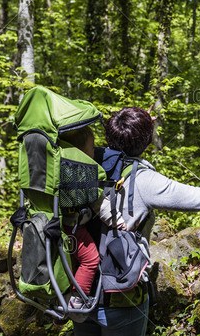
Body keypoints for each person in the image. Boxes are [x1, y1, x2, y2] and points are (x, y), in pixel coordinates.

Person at [71, 106, 200, 336]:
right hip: (122, 294)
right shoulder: (144, 180)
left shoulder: (83, 164)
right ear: (147, 144)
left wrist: (134, 130)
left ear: (108, 136)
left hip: (78, 292)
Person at [58, 126, 125, 321]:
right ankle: (77, 301)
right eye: (92, 147)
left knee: (66, 264)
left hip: (55, 226)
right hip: (74, 230)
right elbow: (100, 205)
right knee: (90, 260)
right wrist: (118, 222)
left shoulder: (57, 168)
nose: (95, 151)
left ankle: (59, 301)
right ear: (81, 153)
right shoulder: (82, 174)